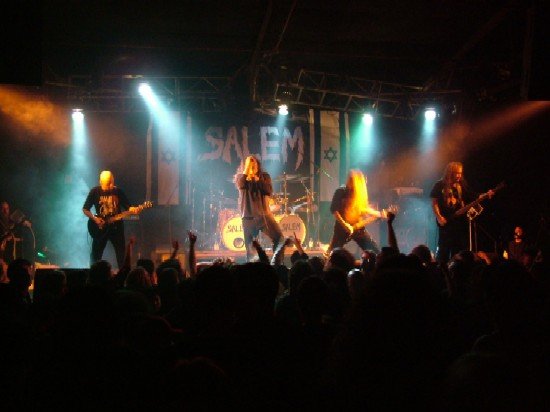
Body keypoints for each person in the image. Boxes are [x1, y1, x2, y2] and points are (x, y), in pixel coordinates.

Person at [430, 161, 493, 265]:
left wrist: (485, 194)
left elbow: (472, 194)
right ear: (450, 173)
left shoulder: (461, 185)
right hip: (446, 223)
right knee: (444, 250)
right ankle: (441, 270)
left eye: (460, 173)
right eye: (457, 173)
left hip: (459, 223)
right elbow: (434, 202)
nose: (459, 175)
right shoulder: (439, 185)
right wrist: (439, 217)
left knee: (458, 251)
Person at [83, 170, 139, 269]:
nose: (108, 186)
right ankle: (92, 273)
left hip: (117, 228)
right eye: (105, 184)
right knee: (95, 255)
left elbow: (128, 207)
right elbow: (85, 209)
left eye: (109, 184)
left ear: (112, 181)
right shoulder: (95, 192)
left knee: (121, 254)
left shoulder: (118, 191)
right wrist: (95, 219)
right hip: (100, 228)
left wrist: (133, 209)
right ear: (100, 182)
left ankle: (123, 274)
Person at [326, 169, 388, 257]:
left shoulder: (359, 193)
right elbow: (334, 210)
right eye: (349, 179)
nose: (349, 181)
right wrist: (345, 225)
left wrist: (379, 213)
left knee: (374, 250)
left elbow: (363, 208)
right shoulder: (340, 191)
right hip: (341, 228)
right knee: (332, 253)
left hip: (357, 228)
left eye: (352, 180)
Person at [234, 155, 283, 262]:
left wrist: (258, 180)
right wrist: (247, 170)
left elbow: (268, 191)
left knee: (279, 238)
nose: (252, 166)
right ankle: (253, 268)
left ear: (258, 165)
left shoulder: (264, 177)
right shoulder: (241, 177)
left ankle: (276, 264)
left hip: (265, 216)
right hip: (248, 218)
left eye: (254, 163)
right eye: (249, 164)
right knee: (250, 247)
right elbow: (241, 184)